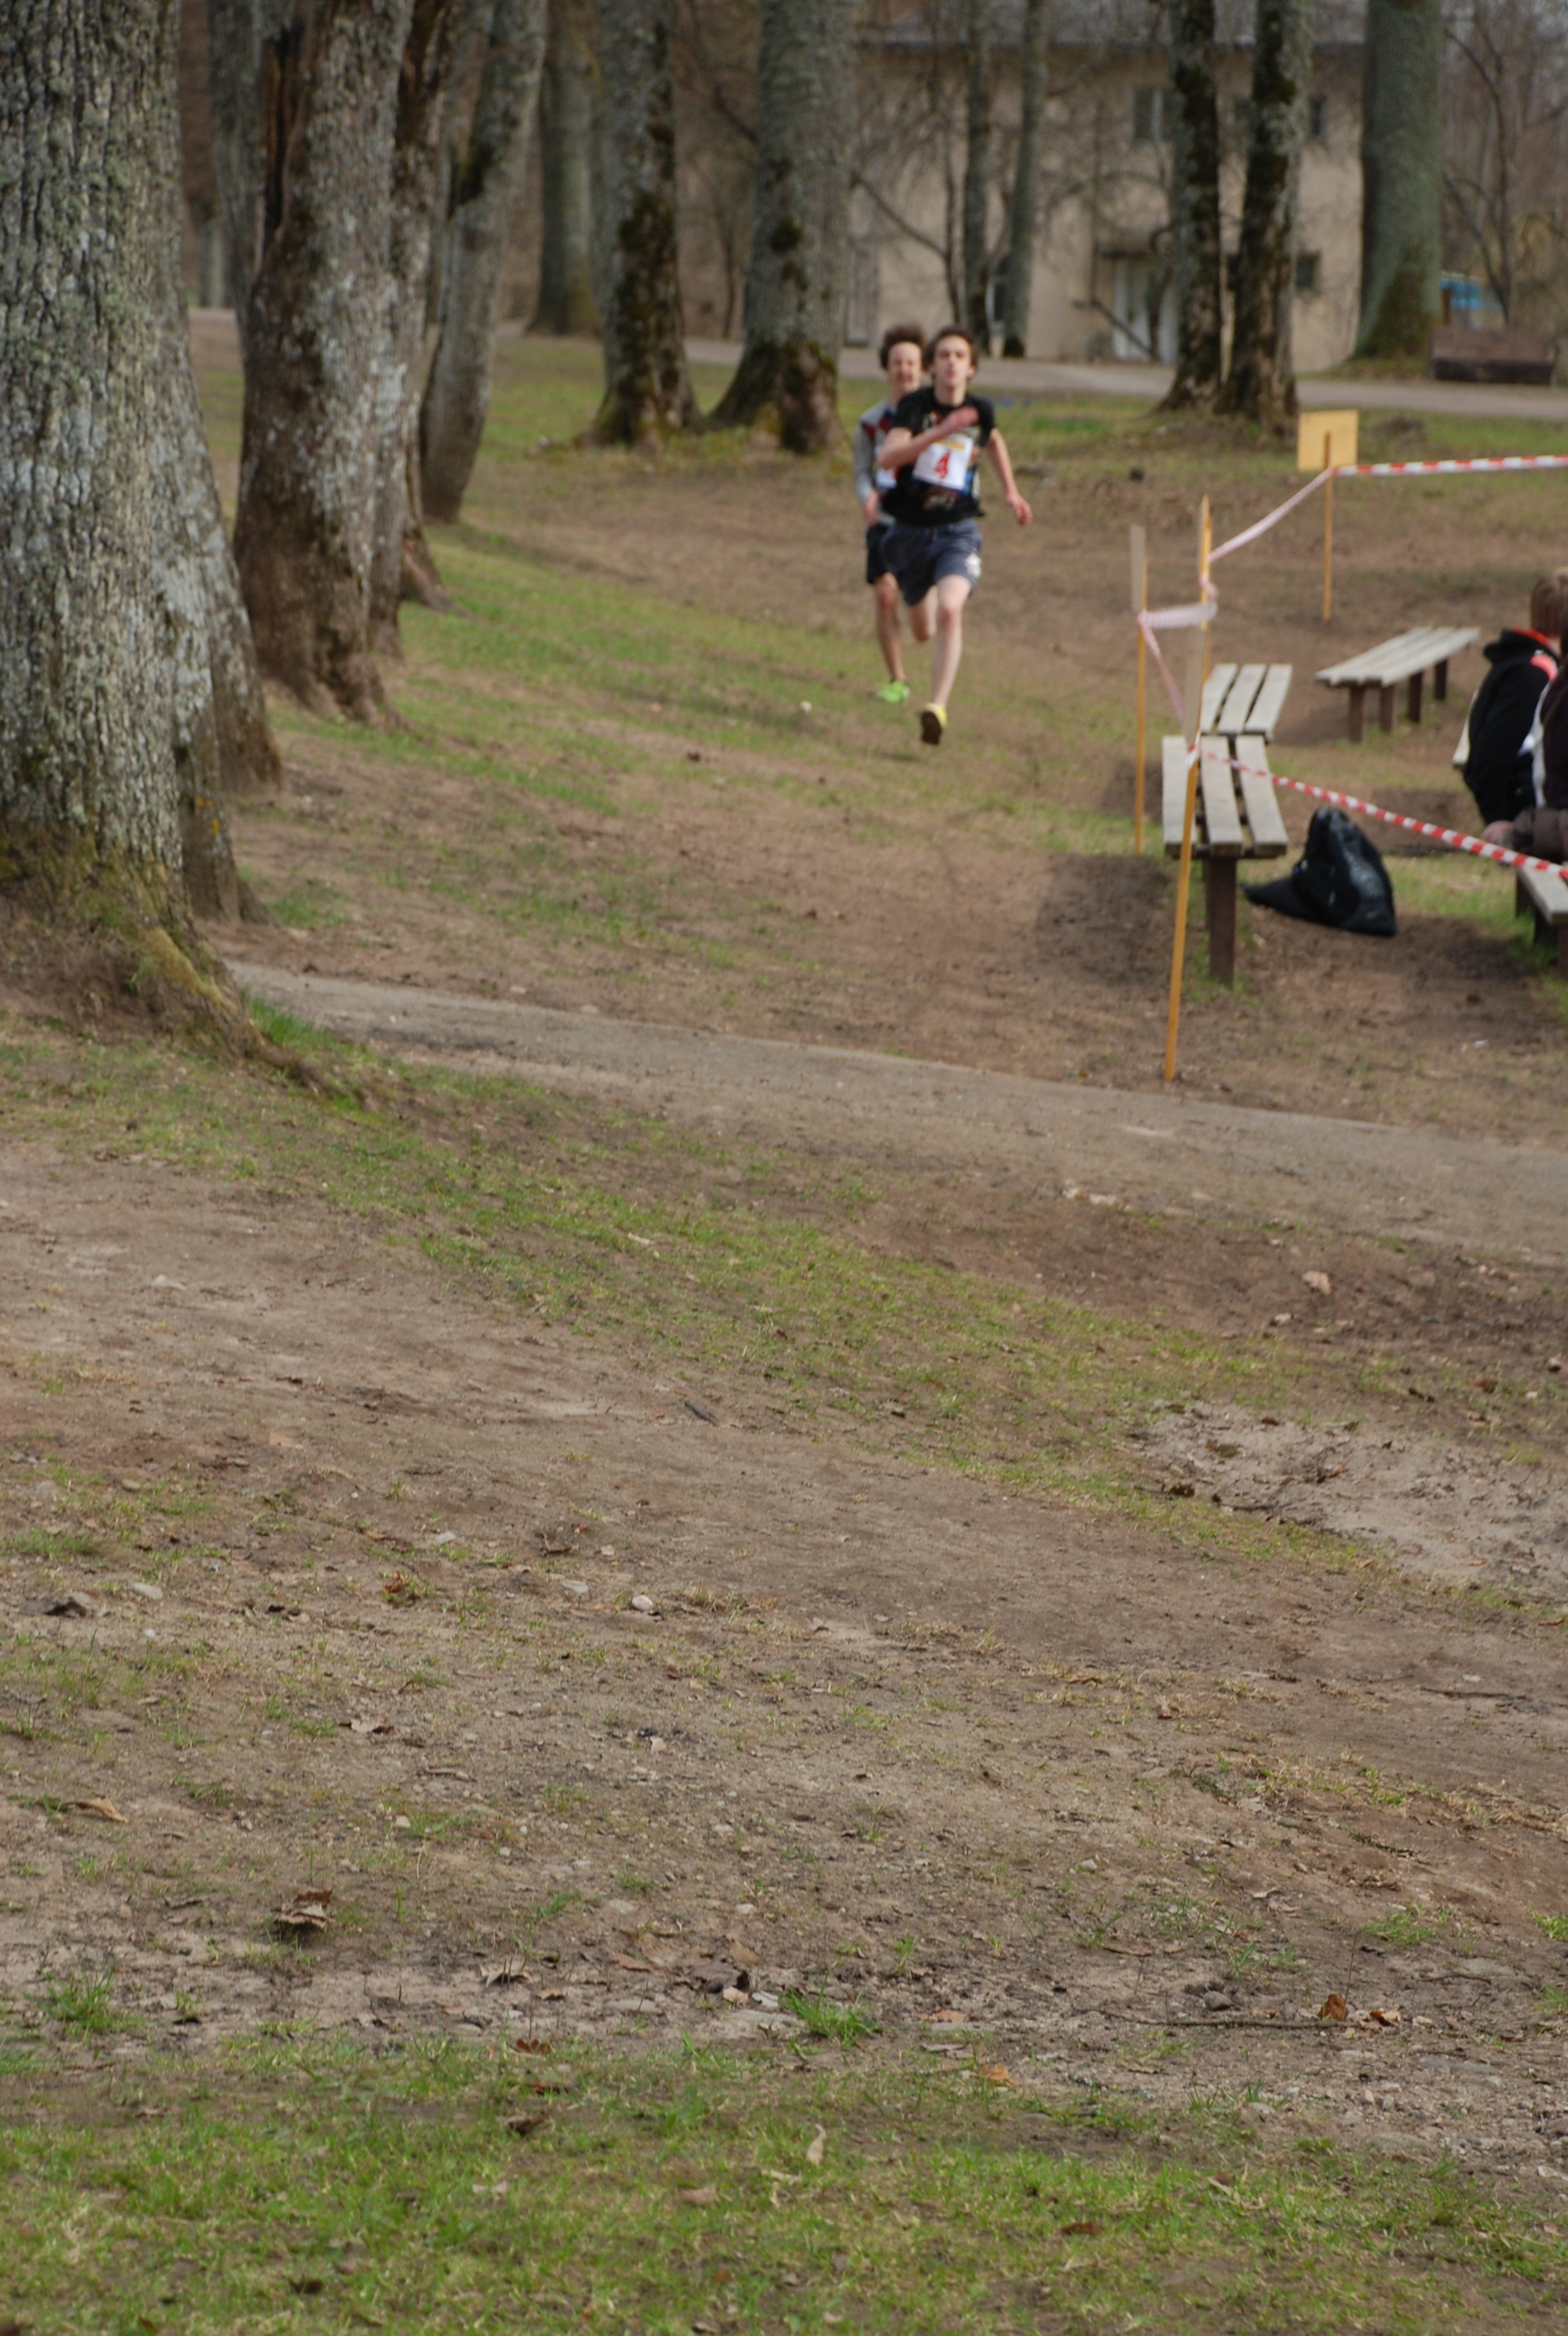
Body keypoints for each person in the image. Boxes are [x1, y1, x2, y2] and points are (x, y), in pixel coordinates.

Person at [876, 323, 1033, 746]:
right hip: (910, 531)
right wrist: (938, 433)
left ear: (971, 369)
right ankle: (921, 594)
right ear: (931, 367)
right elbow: (888, 457)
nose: (951, 362)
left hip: (957, 529)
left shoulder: (980, 410)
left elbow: (993, 441)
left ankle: (937, 707)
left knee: (950, 610)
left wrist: (1011, 491)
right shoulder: (915, 406)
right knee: (923, 630)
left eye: (959, 356)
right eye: (943, 355)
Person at [855, 324, 928, 705]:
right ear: (887, 368)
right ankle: (898, 679)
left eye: (911, 363)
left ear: (923, 369)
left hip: (925, 524)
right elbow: (861, 472)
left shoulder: (935, 420)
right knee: (885, 594)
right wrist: (867, 497)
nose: (904, 370)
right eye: (898, 362)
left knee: (923, 623)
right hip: (884, 522)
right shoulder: (871, 423)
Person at [1462, 569, 1568, 835]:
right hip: (1523, 809)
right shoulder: (1533, 673)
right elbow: (1493, 749)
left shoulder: (1529, 663)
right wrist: (1496, 816)